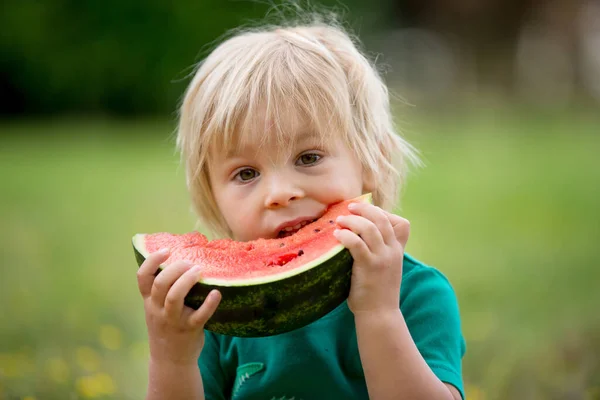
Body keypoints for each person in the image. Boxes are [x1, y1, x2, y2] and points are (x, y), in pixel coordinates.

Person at [136, 9, 466, 400]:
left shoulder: (417, 294)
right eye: (246, 173)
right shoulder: (216, 310)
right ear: (212, 196)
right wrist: (172, 359)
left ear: (371, 162)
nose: (279, 192)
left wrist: (379, 313)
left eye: (308, 157)